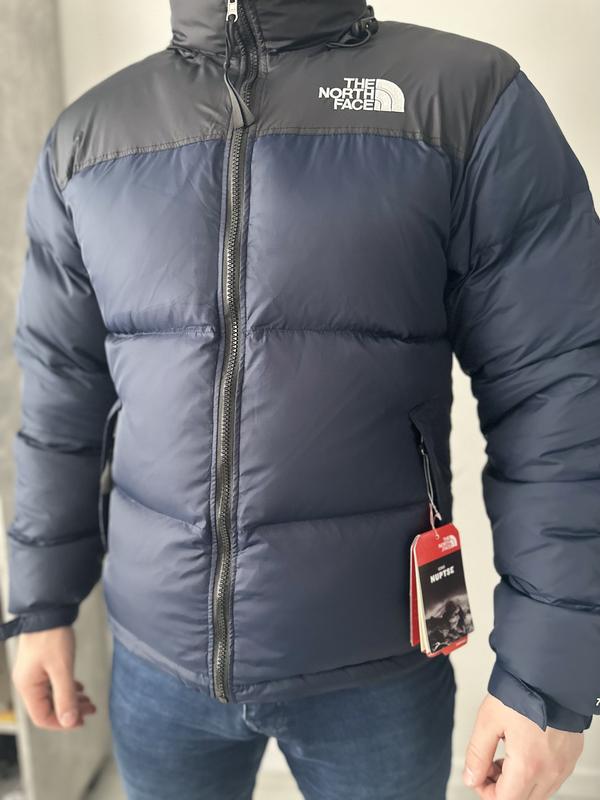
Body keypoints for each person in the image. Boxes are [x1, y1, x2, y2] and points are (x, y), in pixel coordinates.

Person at [2, 1, 598, 798]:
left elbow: (559, 391)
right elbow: (59, 396)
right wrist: (41, 604)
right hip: (154, 663)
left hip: (375, 666)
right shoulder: (89, 138)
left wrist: (545, 673)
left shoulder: (464, 102)